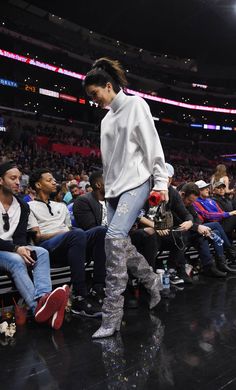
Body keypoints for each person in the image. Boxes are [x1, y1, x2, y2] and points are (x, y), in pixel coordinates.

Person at [83, 57, 168, 338]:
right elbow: (109, 164)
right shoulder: (106, 121)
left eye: (95, 94)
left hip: (138, 182)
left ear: (108, 86)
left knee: (112, 239)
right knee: (120, 243)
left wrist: (161, 183)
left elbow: (151, 145)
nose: (93, 100)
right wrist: (108, 193)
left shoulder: (136, 105)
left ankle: (111, 317)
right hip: (114, 190)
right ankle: (152, 281)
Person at [28, 168, 107, 318]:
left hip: (70, 242)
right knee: (76, 234)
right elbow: (37, 237)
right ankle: (79, 296)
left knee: (100, 231)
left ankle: (98, 287)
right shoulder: (29, 207)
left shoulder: (62, 206)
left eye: (53, 179)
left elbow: (71, 231)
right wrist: (64, 233)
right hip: (48, 247)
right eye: (49, 180)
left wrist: (69, 234)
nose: (54, 182)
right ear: (38, 185)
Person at [0, 161, 69, 330]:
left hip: (12, 248)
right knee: (16, 261)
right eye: (12, 178)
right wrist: (17, 249)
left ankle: (44, 299)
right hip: (6, 251)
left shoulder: (22, 206)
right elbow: (16, 246)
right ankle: (37, 308)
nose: (18, 182)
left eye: (19, 178)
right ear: (1, 180)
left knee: (41, 252)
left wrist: (22, 248)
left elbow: (20, 238)